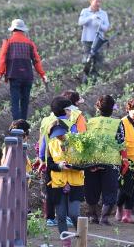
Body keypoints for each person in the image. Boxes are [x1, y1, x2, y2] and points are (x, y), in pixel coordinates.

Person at [0, 18, 48, 120]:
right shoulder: (29, 43)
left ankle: (16, 125)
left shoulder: (8, 42)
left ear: (12, 30)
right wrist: (43, 75)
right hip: (27, 76)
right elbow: (36, 61)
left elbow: (2, 59)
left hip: (14, 75)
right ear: (23, 30)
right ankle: (23, 125)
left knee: (15, 101)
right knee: (25, 102)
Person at [37, 97, 77, 227]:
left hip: (51, 162)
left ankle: (50, 217)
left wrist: (42, 159)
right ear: (66, 111)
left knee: (50, 189)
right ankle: (66, 217)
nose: (71, 112)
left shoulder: (49, 123)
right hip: (67, 163)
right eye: (70, 110)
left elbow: (43, 144)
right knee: (66, 189)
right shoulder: (72, 125)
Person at [85, 95, 124, 225]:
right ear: (112, 109)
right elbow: (121, 142)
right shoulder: (118, 123)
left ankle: (92, 217)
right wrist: (125, 160)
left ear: (97, 107)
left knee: (91, 188)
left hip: (92, 160)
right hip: (111, 161)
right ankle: (104, 218)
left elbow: (84, 141)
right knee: (110, 190)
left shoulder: (89, 122)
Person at [46, 122, 84, 247]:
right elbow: (50, 166)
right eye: (56, 135)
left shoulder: (77, 142)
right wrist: (59, 166)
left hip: (75, 183)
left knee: (74, 213)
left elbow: (84, 164)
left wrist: (72, 166)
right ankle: (66, 242)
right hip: (58, 184)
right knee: (61, 215)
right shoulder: (51, 145)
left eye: (61, 134)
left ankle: (81, 237)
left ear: (66, 131)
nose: (59, 137)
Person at [116, 99, 134, 223]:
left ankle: (127, 215)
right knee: (125, 188)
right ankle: (119, 207)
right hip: (126, 160)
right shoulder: (122, 123)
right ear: (129, 109)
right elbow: (119, 142)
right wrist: (123, 160)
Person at [78, 0, 110, 80]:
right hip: (87, 39)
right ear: (91, 1)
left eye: (100, 2)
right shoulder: (85, 11)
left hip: (99, 41)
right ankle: (85, 75)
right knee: (87, 59)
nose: (98, 4)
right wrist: (91, 18)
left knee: (99, 60)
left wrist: (99, 24)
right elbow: (80, 22)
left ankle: (94, 77)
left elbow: (106, 28)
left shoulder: (103, 13)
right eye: (96, 1)